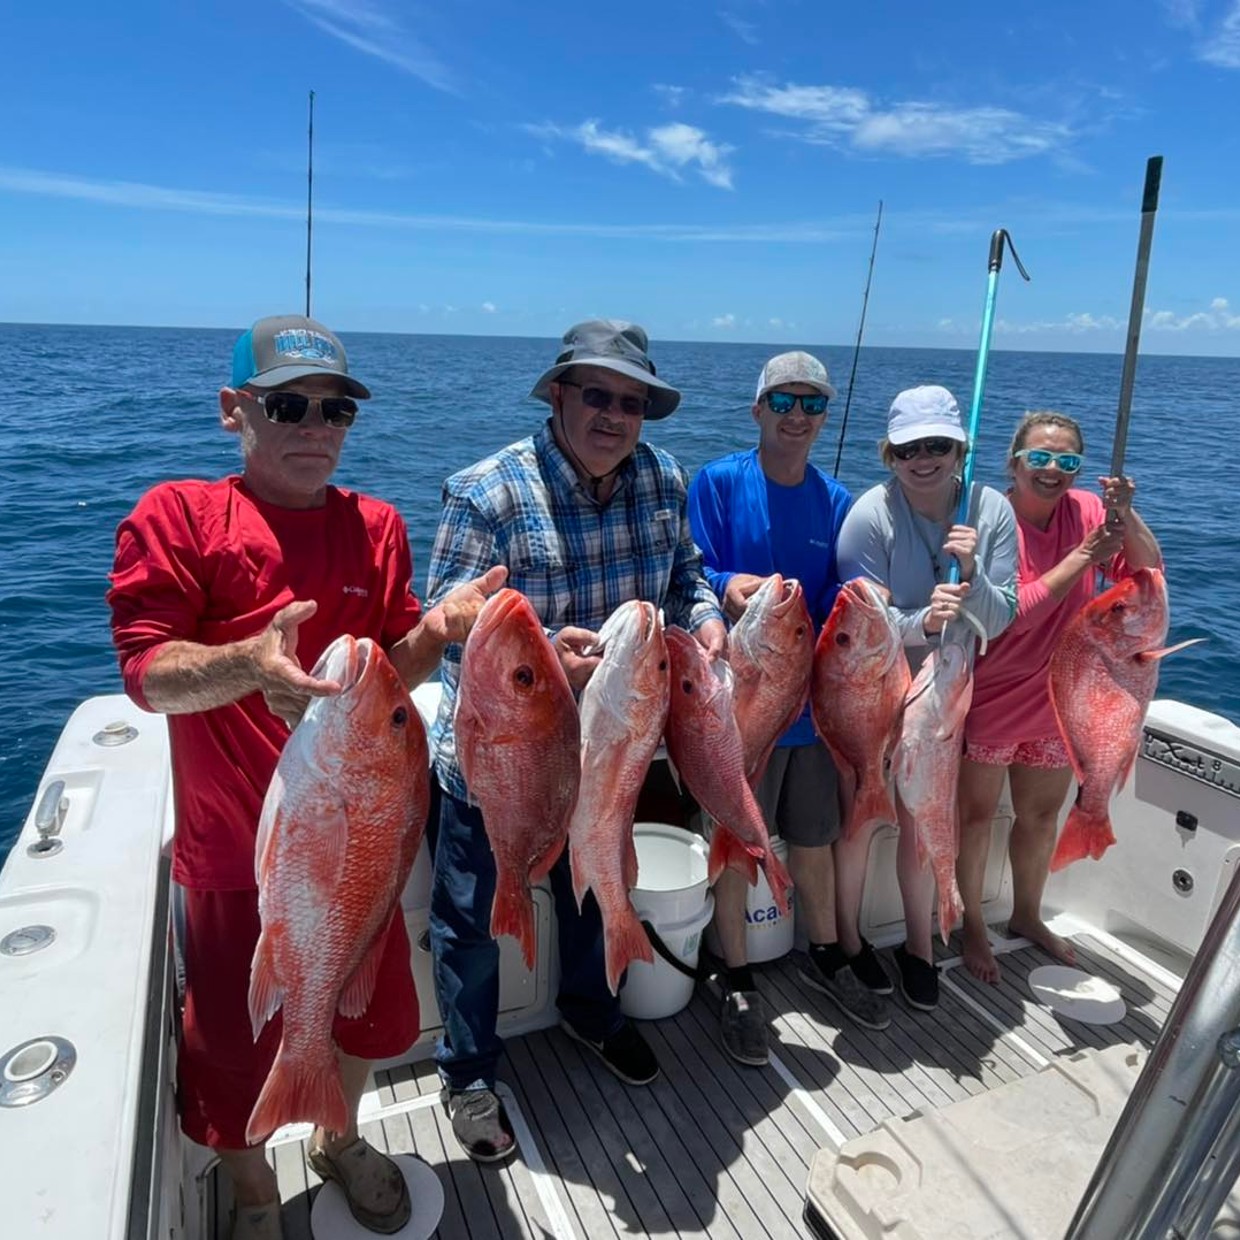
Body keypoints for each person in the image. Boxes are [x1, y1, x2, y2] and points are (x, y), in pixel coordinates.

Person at [108, 315, 504, 1240]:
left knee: (372, 1019)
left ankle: (337, 1136)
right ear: (231, 411)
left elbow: (393, 674)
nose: (315, 427)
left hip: (361, 835)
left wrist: (438, 631)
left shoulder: (377, 526)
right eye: (288, 405)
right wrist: (247, 662)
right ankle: (252, 1194)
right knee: (231, 1046)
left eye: (337, 411)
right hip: (231, 852)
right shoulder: (179, 517)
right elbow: (146, 672)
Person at [426, 319, 726, 1163]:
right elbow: (446, 625)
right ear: (556, 394)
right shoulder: (486, 493)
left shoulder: (664, 481)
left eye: (631, 402)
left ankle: (593, 1016)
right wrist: (544, 658)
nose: (613, 415)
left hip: (611, 756)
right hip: (502, 765)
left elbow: (686, 575)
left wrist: (705, 625)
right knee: (474, 925)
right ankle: (470, 1073)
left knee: (598, 893)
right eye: (595, 393)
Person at [687, 350, 889, 1064]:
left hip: (807, 711)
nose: (798, 416)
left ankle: (828, 950)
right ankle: (734, 974)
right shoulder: (714, 482)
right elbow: (690, 567)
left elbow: (844, 597)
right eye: (784, 402)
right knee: (739, 842)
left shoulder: (836, 502)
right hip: (736, 704)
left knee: (814, 839)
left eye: (813, 404)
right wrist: (727, 580)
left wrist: (872, 602)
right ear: (757, 410)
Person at [957, 410, 1162, 982]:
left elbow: (1147, 569)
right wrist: (1083, 560)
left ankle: (1026, 914)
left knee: (1041, 815)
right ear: (1014, 462)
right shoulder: (992, 519)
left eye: (1067, 461)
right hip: (994, 694)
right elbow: (1007, 618)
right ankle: (972, 922)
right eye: (1040, 458)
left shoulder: (1092, 514)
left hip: (1064, 699)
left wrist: (1125, 514)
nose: (1053, 470)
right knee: (974, 818)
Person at [834, 384, 1017, 1012]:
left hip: (941, 700)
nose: (924, 458)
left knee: (919, 820)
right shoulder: (869, 516)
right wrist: (925, 624)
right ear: (890, 454)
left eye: (938, 444)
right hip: (871, 691)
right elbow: (861, 622)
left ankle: (920, 946)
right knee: (858, 821)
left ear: (960, 448)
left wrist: (977, 577)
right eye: (908, 447)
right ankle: (850, 942)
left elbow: (1004, 617)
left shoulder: (990, 512)